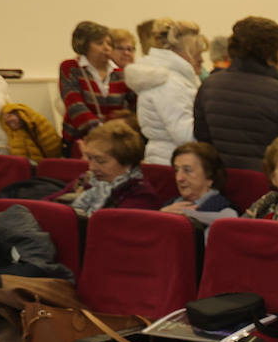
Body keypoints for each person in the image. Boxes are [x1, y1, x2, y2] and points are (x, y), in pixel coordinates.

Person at [193, 16, 278, 170]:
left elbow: (203, 140)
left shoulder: (209, 85)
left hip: (226, 182)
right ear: (269, 53)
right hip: (269, 184)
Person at [124, 18, 206, 165]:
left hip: (171, 160)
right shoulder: (168, 83)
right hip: (171, 163)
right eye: (196, 53)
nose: (201, 59)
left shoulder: (176, 79)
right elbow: (185, 134)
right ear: (178, 53)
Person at [50, 118, 159, 215]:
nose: (92, 167)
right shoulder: (87, 180)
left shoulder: (140, 196)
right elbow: (47, 205)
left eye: (100, 161)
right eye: (89, 158)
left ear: (127, 162)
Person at [58, 21, 133, 156]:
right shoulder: (70, 67)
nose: (106, 48)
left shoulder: (121, 72)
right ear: (84, 46)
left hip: (116, 141)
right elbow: (75, 105)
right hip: (80, 140)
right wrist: (101, 132)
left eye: (109, 44)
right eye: (100, 43)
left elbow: (132, 108)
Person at [160, 141, 238, 225]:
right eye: (176, 170)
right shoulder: (170, 204)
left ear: (209, 176)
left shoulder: (222, 208)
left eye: (187, 170)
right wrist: (160, 214)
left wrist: (185, 214)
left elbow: (230, 222)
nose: (179, 178)